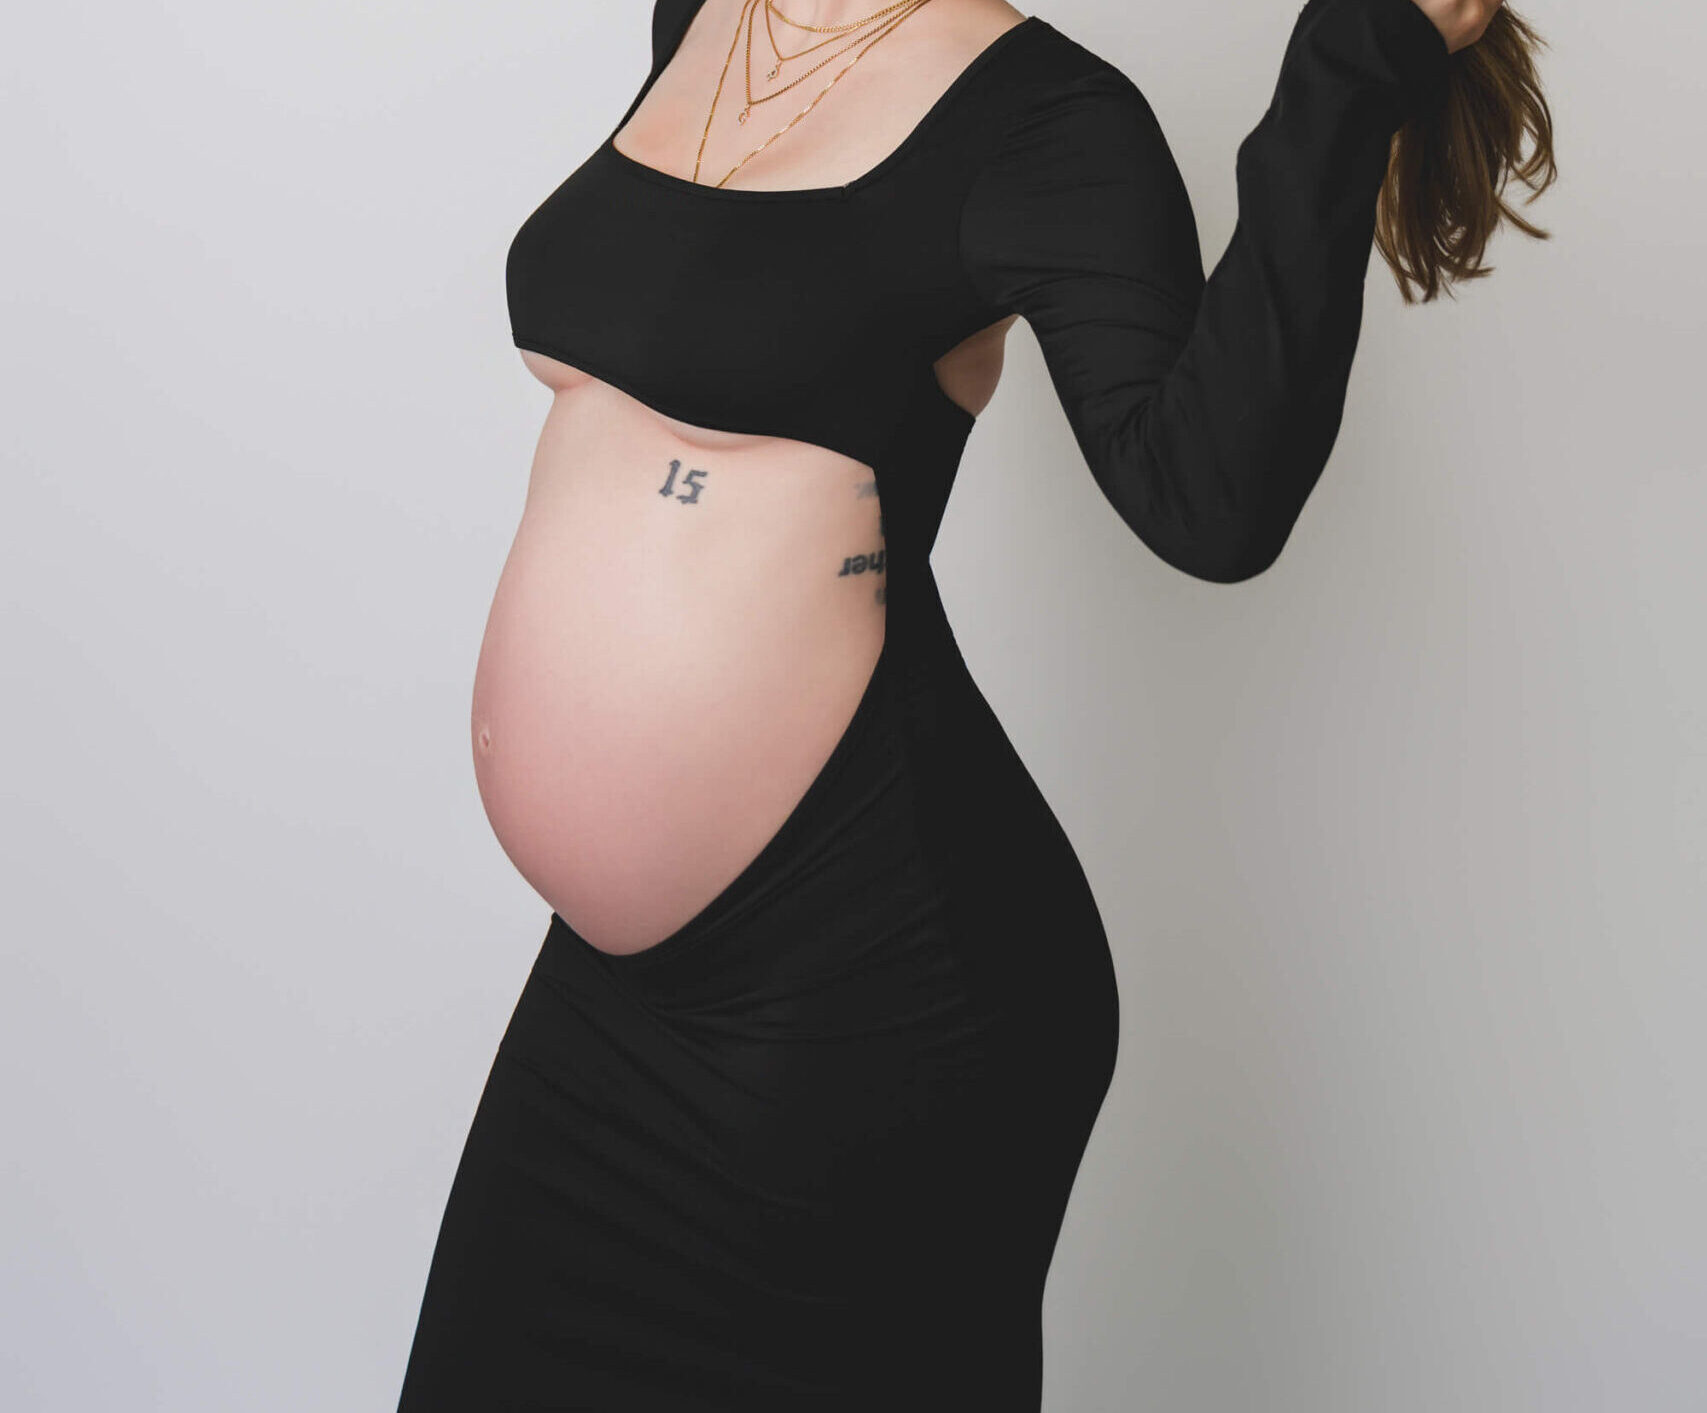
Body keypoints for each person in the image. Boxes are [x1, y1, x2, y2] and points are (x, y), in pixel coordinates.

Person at [398, 1, 1546, 1407]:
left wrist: (1353, 60)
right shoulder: (706, 14)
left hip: (869, 997)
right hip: (619, 1011)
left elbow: (1213, 501)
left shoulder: (1048, 122)